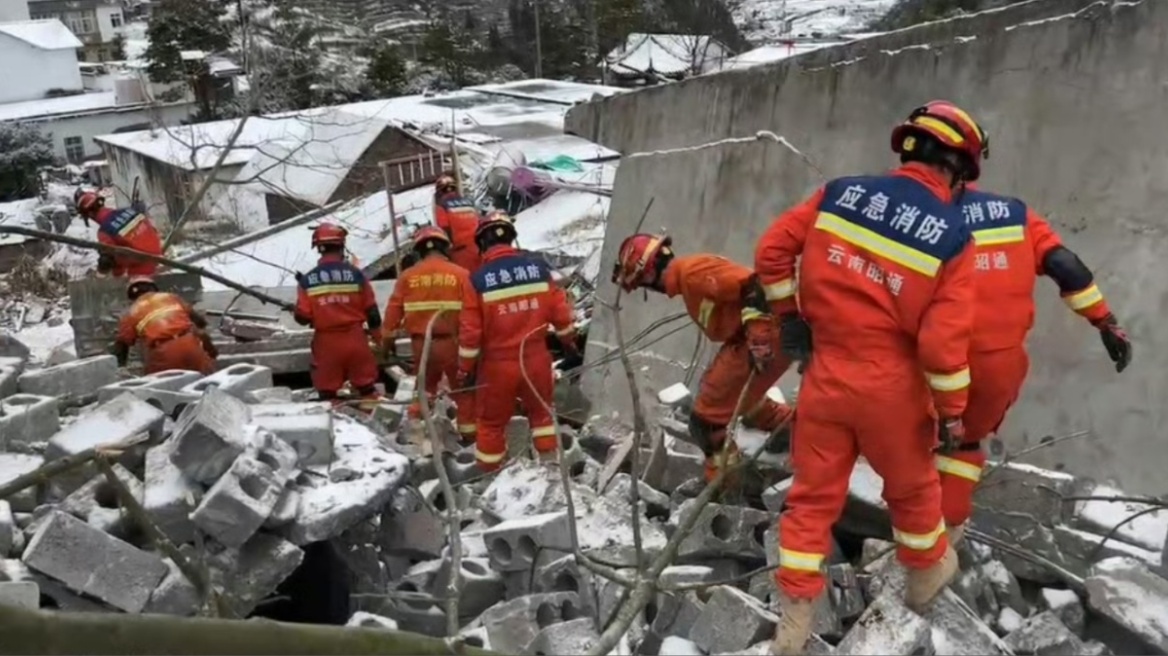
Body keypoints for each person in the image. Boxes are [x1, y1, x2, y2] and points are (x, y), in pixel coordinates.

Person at [755, 100, 983, 652]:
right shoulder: (954, 236)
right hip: (893, 391)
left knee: (811, 499)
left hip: (825, 377)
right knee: (912, 488)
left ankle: (794, 623)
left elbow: (772, 252)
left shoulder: (839, 194)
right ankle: (925, 575)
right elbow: (940, 345)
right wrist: (952, 413)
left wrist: (791, 318)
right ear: (956, 168)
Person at [940, 145, 1133, 546]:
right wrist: (1104, 320)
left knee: (915, 438)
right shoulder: (1014, 214)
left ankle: (907, 536)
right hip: (1000, 364)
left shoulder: (918, 212)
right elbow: (1065, 266)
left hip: (936, 357)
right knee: (965, 445)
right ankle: (946, 531)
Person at [611, 234, 793, 483]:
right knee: (730, 396)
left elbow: (755, 285)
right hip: (755, 338)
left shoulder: (693, 273)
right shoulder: (690, 278)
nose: (648, 289)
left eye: (642, 282)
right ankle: (789, 429)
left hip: (764, 337)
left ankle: (727, 487)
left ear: (650, 272)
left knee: (705, 423)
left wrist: (759, 338)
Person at [456, 211, 577, 471]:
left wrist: (465, 370)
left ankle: (491, 478)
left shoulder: (477, 281)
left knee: (491, 424)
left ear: (482, 243)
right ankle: (551, 471)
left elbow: (470, 334)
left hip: (497, 366)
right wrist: (569, 344)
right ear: (511, 238)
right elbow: (562, 315)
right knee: (543, 415)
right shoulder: (538, 271)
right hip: (537, 360)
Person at [382, 226, 478, 442]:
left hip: (421, 345)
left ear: (419, 250)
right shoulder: (461, 275)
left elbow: (391, 317)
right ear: (445, 247)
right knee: (463, 392)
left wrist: (385, 347)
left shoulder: (407, 277)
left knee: (424, 390)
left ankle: (415, 435)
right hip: (452, 343)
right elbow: (472, 316)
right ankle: (469, 438)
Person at [293, 223, 383, 411]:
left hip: (327, 345)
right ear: (341, 246)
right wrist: (379, 340)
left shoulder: (307, 281)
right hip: (356, 340)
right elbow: (372, 313)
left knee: (328, 398)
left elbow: (302, 317)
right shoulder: (357, 275)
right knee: (367, 392)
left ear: (319, 248)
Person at [113, 277, 217, 375]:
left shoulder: (131, 313)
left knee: (160, 385)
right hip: (190, 344)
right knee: (207, 382)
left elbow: (122, 344)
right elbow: (199, 321)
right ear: (154, 288)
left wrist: (120, 367)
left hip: (163, 352)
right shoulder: (171, 297)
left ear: (131, 296)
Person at [75, 189, 163, 277]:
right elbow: (152, 230)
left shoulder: (105, 231)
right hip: (159, 257)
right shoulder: (129, 211)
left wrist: (100, 274)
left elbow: (107, 261)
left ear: (90, 214)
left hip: (141, 270)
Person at [433, 174, 483, 273]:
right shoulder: (469, 203)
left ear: (439, 192)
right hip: (478, 247)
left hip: (460, 251)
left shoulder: (441, 207)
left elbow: (444, 230)